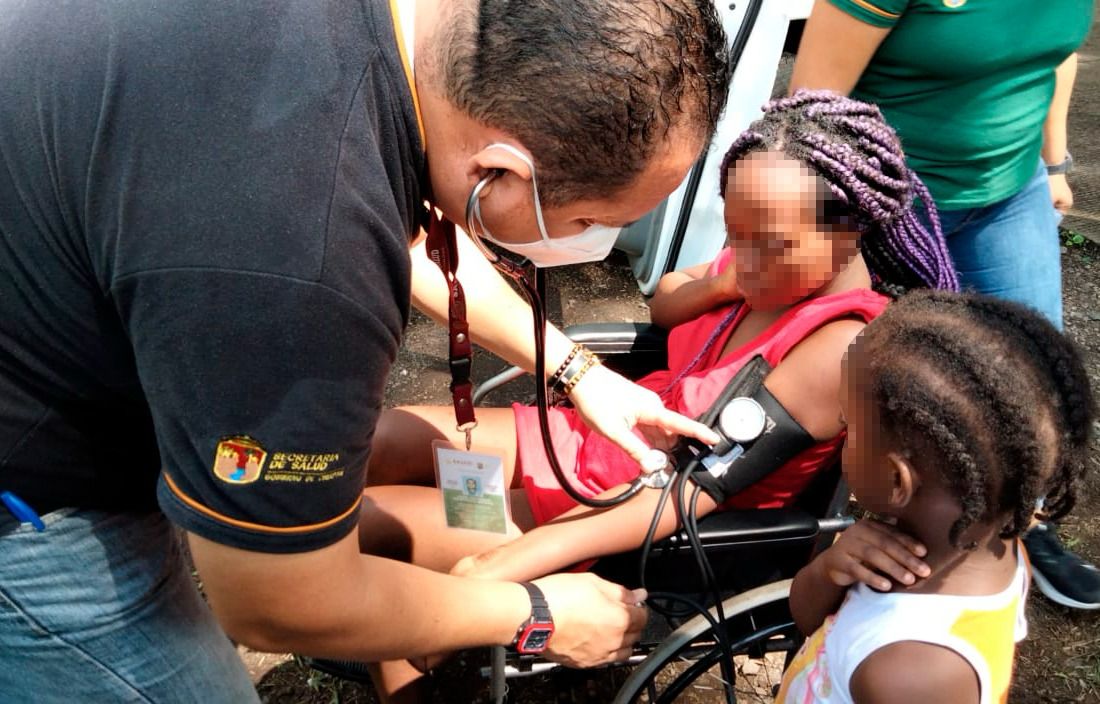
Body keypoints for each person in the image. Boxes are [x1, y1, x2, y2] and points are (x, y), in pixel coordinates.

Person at [0, 1, 732, 700]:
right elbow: (278, 599)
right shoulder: (298, 261)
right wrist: (536, 613)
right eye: (588, 219)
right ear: (500, 172)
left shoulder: (394, 52)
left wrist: (576, 370)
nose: (588, 242)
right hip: (34, 498)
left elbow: (395, 217)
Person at [357, 91, 959, 700]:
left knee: (372, 530)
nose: (745, 260)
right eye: (734, 233)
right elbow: (668, 298)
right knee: (375, 441)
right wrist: (725, 282)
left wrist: (503, 565)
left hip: (623, 514)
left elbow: (690, 485)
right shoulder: (765, 259)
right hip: (592, 441)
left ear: (851, 233)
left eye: (768, 245)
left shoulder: (838, 346)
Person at [788, 0, 1097, 611]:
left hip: (1008, 192)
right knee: (855, 374)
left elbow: (1056, 55)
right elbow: (808, 110)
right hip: (883, 199)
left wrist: (1054, 162)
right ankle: (817, 539)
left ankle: (1020, 524)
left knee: (1031, 384)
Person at [777, 289, 1095, 703]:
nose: (842, 434)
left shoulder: (910, 674)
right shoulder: (989, 540)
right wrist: (829, 571)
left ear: (896, 481)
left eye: (848, 423)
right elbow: (809, 621)